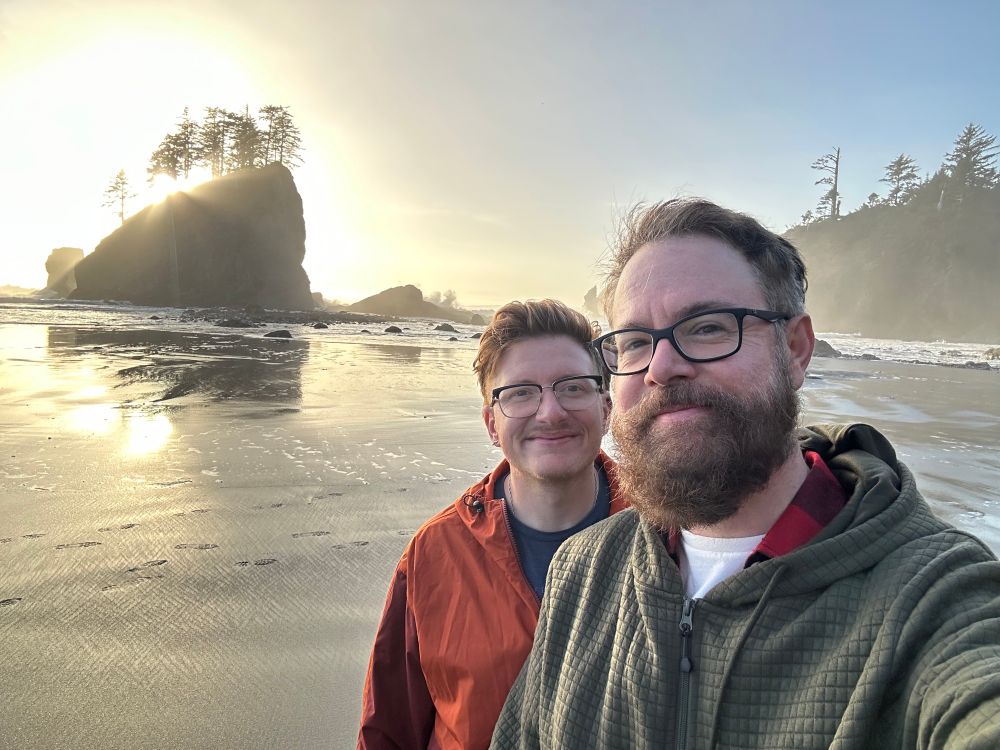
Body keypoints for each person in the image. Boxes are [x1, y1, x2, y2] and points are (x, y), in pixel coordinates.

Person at [492, 199, 1000, 748]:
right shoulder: (583, 572)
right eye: (635, 342)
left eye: (708, 327)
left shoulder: (933, 599)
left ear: (797, 350)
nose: (661, 368)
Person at [358, 299, 628, 750]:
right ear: (491, 423)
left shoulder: (671, 529)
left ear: (605, 406)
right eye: (520, 392)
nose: (550, 412)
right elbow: (390, 728)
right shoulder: (435, 552)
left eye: (573, 387)